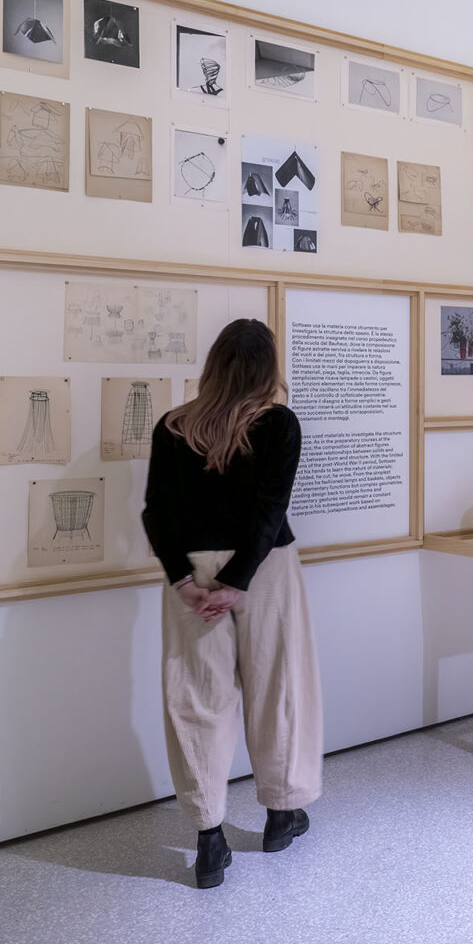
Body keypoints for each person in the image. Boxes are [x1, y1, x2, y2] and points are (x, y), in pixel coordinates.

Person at [141, 318, 321, 889]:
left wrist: (183, 580)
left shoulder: (174, 427)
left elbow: (156, 513)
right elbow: (270, 511)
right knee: (279, 688)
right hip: (265, 570)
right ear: (268, 368)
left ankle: (208, 838)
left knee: (196, 699)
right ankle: (281, 814)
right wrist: (239, 580)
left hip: (193, 572)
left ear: (214, 363)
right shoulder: (279, 423)